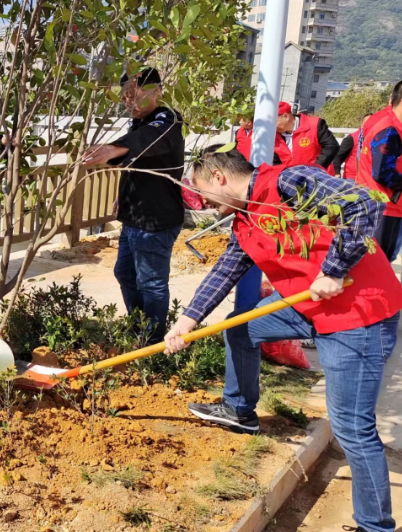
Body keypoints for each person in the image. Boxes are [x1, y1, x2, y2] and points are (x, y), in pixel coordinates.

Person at [164, 147, 400, 532]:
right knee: (240, 327)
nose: (204, 202)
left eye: (204, 191)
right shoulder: (244, 220)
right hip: (306, 306)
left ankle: (375, 526)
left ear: (220, 177)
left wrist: (335, 268)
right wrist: (187, 321)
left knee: (352, 428)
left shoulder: (290, 183)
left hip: (358, 316)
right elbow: (225, 271)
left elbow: (363, 204)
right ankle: (239, 410)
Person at [81, 67, 185, 342]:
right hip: (134, 216)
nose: (128, 102)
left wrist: (113, 149)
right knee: (125, 272)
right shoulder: (139, 124)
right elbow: (139, 162)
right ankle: (139, 327)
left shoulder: (167, 120)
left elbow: (147, 143)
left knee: (151, 284)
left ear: (156, 91)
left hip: (155, 220)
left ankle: (151, 343)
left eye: (132, 95)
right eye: (124, 97)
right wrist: (123, 194)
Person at [354, 81, 402, 261]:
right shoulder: (389, 130)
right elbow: (383, 172)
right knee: (376, 262)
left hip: (387, 205)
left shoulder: (391, 123)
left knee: (381, 261)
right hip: (381, 207)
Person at [274, 102, 339, 173]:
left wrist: (315, 169)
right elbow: (276, 162)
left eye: (274, 122)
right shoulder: (274, 136)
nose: (272, 126)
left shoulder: (315, 124)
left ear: (286, 116)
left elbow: (331, 146)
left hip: (320, 177)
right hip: (292, 180)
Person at [333, 113, 373, 179]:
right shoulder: (351, 138)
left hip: (368, 178)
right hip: (352, 178)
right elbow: (338, 157)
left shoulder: (377, 139)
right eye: (367, 123)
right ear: (362, 124)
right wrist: (337, 173)